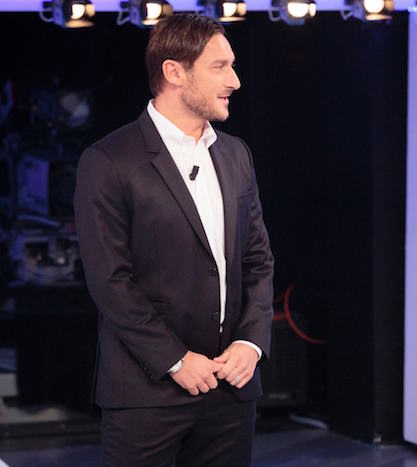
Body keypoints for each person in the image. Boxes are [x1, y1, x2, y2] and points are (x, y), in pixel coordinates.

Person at [74, 13, 273, 467]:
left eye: (233, 66)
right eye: (220, 67)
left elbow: (258, 259)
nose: (235, 81)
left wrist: (251, 343)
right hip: (147, 392)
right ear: (174, 72)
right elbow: (110, 281)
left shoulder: (236, 153)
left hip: (231, 387)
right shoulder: (108, 160)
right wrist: (177, 360)